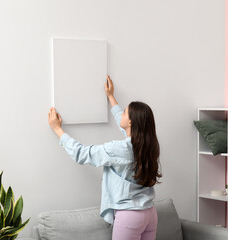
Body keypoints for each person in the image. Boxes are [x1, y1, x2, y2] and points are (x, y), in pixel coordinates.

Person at [48, 75, 162, 240]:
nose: (121, 114)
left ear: (131, 122)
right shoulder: (148, 145)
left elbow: (82, 153)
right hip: (150, 214)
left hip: (129, 216)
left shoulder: (119, 148)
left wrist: (58, 129)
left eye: (124, 112)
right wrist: (110, 97)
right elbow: (124, 127)